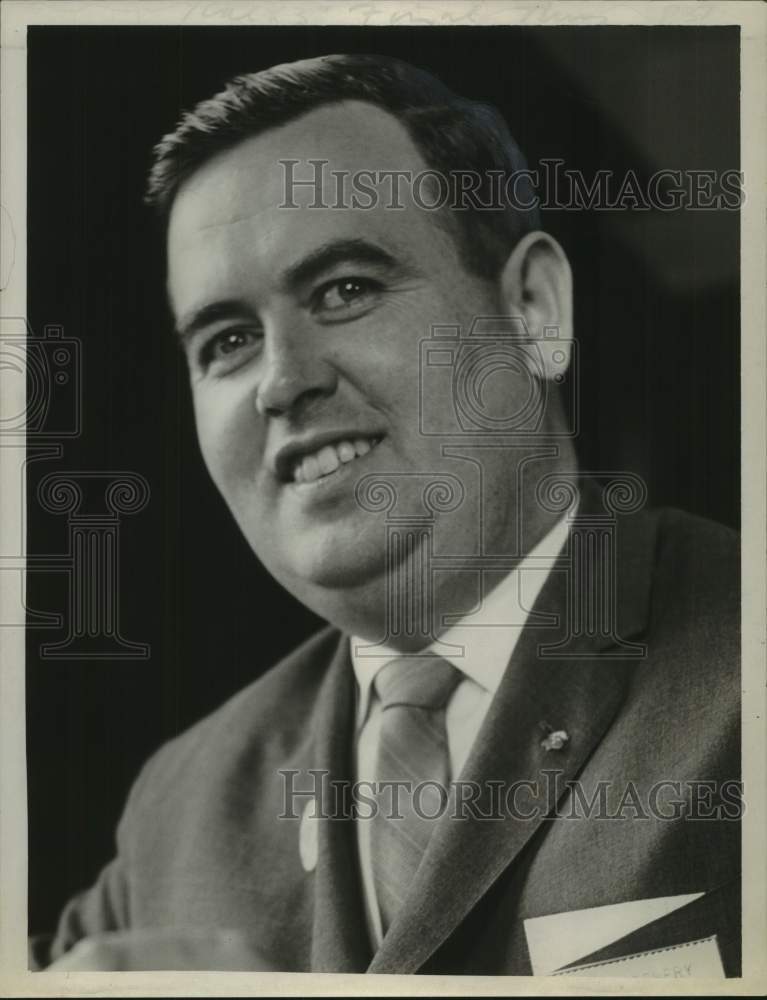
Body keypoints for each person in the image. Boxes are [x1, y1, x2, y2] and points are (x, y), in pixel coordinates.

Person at [34, 54, 740, 975]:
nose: (283, 381)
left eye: (345, 290)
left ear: (532, 308)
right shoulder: (179, 806)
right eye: (228, 341)